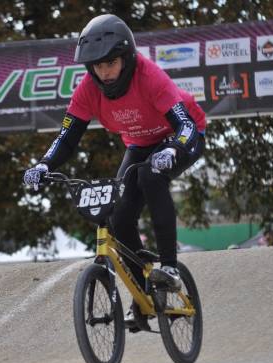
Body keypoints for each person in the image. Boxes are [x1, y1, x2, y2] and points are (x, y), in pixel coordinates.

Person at [24, 14, 206, 328]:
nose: (105, 72)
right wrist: (43, 164)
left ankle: (170, 268)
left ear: (127, 58)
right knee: (118, 216)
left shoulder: (150, 77)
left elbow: (186, 125)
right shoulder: (87, 89)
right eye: (97, 66)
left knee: (151, 176)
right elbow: (67, 137)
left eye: (111, 63)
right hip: (140, 144)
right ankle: (143, 294)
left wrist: (174, 149)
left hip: (182, 137)